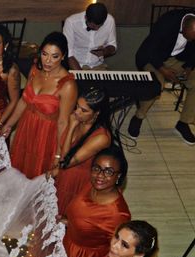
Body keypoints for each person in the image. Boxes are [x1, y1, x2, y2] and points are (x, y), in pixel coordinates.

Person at [1, 32, 77, 179]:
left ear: (63, 56)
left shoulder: (67, 85)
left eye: (54, 56)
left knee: (38, 176)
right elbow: (24, 101)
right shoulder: (35, 70)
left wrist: (58, 154)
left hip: (47, 136)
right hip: (26, 127)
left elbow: (63, 122)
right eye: (44, 54)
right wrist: (9, 125)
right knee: (20, 172)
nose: (48, 61)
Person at [128, 9, 195, 145]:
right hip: (153, 58)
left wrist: (188, 67)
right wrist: (163, 70)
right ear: (184, 27)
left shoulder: (192, 29)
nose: (193, 40)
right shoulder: (167, 22)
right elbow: (150, 49)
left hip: (177, 59)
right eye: (191, 37)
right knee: (157, 84)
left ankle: (183, 122)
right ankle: (138, 117)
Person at [63, 148, 131, 257]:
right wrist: (69, 222)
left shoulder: (117, 214)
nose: (100, 175)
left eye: (109, 171)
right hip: (67, 245)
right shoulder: (91, 185)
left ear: (119, 176)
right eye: (96, 168)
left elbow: (118, 253)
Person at [54, 87, 112, 215]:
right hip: (65, 175)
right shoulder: (79, 118)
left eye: (83, 110)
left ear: (96, 113)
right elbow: (62, 147)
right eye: (77, 106)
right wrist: (56, 163)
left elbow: (66, 162)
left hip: (78, 180)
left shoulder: (101, 138)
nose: (76, 112)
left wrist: (71, 127)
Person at [63, 2, 117, 71]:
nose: (97, 29)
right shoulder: (71, 22)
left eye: (100, 26)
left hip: (99, 65)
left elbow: (113, 46)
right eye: (93, 26)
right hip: (76, 65)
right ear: (86, 18)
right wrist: (82, 76)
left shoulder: (110, 20)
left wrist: (105, 51)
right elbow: (68, 54)